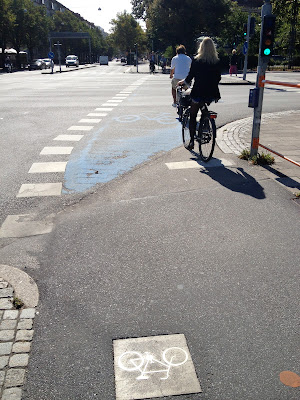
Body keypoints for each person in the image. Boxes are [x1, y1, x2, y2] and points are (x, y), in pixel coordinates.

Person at [178, 37, 221, 150]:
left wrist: (184, 82)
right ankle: (206, 123)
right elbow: (218, 78)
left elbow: (191, 75)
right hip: (212, 92)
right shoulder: (216, 61)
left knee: (193, 115)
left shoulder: (197, 61)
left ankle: (192, 141)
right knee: (204, 106)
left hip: (198, 91)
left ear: (201, 47)